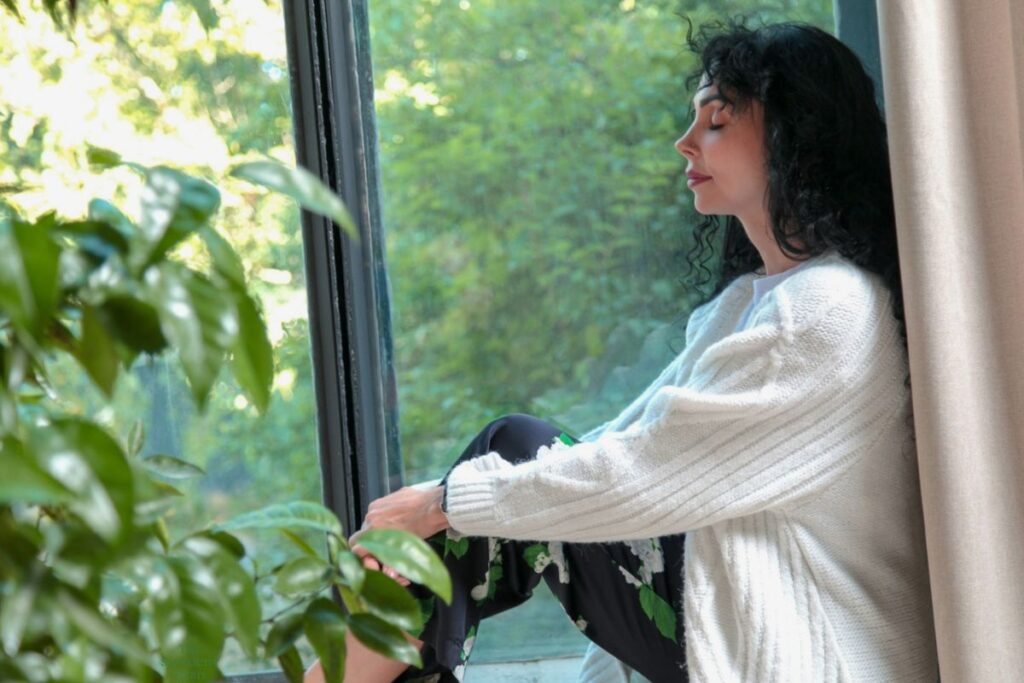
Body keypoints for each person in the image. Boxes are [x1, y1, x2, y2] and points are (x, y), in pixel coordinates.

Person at [305, 17, 938, 683]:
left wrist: (444, 503)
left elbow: (639, 473)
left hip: (811, 658)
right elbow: (619, 447)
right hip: (744, 631)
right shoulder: (748, 304)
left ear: (793, 136)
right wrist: (444, 505)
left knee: (511, 454)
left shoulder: (827, 309)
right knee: (509, 468)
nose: (684, 141)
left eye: (716, 121)